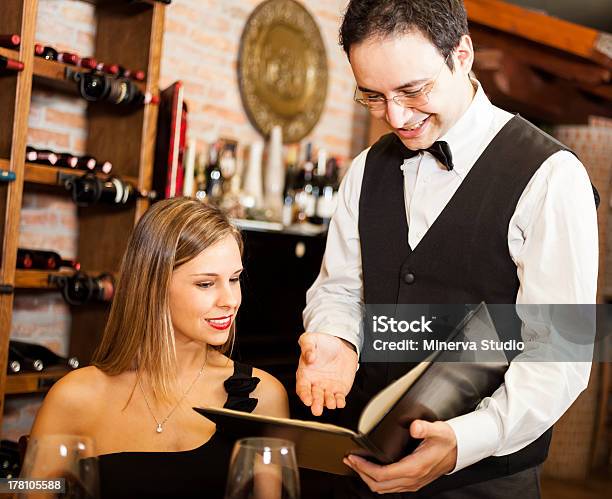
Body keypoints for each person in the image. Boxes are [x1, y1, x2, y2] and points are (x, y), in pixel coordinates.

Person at [296, 0, 598, 497]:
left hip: (487, 480)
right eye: (373, 97)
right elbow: (341, 288)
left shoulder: (551, 176)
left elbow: (561, 353)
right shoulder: (364, 171)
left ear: (462, 55)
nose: (396, 116)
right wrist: (335, 336)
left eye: (413, 91)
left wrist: (464, 439)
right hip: (365, 466)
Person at [29, 197, 289, 498]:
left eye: (234, 279)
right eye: (206, 284)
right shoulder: (74, 397)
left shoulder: (262, 397)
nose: (229, 300)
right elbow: (26, 489)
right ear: (152, 285)